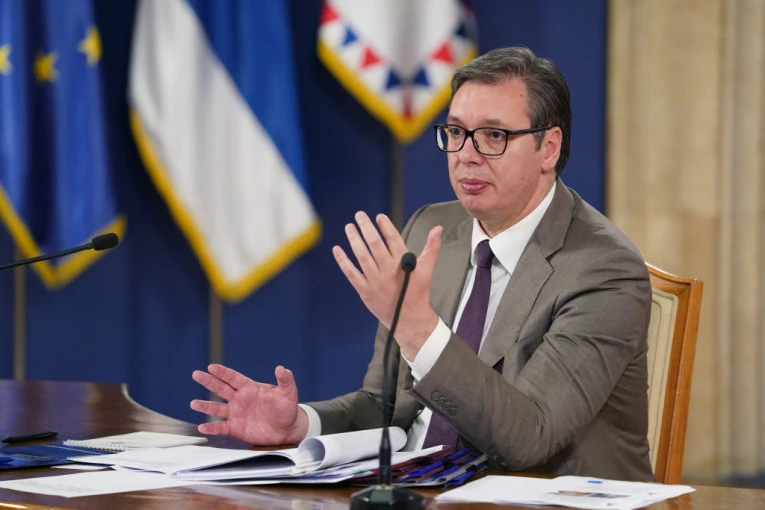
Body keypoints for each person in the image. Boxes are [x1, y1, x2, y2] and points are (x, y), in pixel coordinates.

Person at [190, 46, 654, 481]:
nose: (466, 155)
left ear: (548, 148)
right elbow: (384, 405)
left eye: (493, 136)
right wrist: (300, 424)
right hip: (419, 487)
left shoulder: (603, 270)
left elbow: (529, 437)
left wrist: (419, 329)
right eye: (456, 132)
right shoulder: (433, 230)